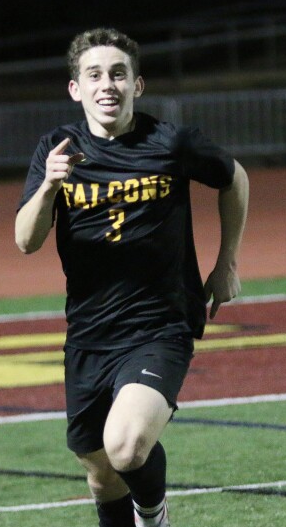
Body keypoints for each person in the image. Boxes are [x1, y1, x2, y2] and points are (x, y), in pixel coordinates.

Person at [15, 27, 249, 527]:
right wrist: (49, 188)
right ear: (75, 89)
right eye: (94, 75)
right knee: (100, 470)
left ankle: (154, 514)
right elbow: (25, 240)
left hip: (161, 325)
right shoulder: (56, 150)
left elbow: (235, 178)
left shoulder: (170, 143)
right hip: (89, 334)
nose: (107, 85)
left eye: (118, 74)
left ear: (136, 85)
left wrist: (226, 261)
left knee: (126, 446)